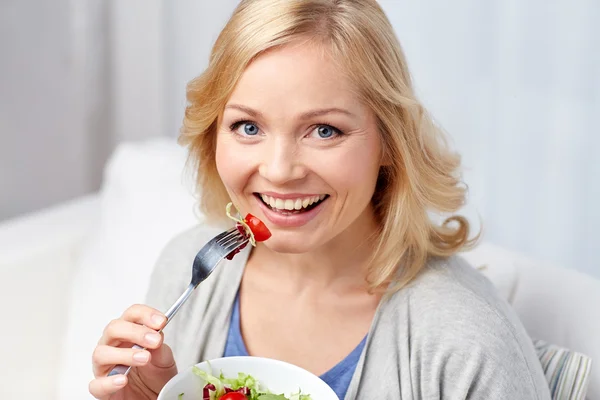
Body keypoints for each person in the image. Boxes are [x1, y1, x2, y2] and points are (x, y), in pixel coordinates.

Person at [89, 1, 551, 399]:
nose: (279, 170)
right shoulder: (187, 268)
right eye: (248, 127)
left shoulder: (467, 341)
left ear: (389, 143)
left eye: (324, 130)